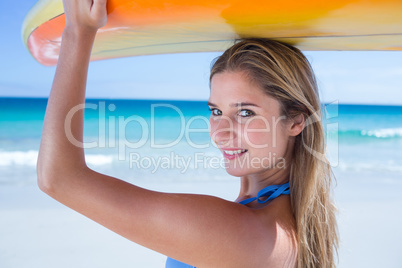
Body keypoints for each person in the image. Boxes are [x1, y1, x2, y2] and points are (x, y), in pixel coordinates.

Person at [37, 0, 338, 267]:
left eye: (245, 113)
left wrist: (78, 32)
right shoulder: (286, 225)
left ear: (296, 121)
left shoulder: (245, 233)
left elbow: (59, 179)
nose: (220, 132)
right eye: (216, 111)